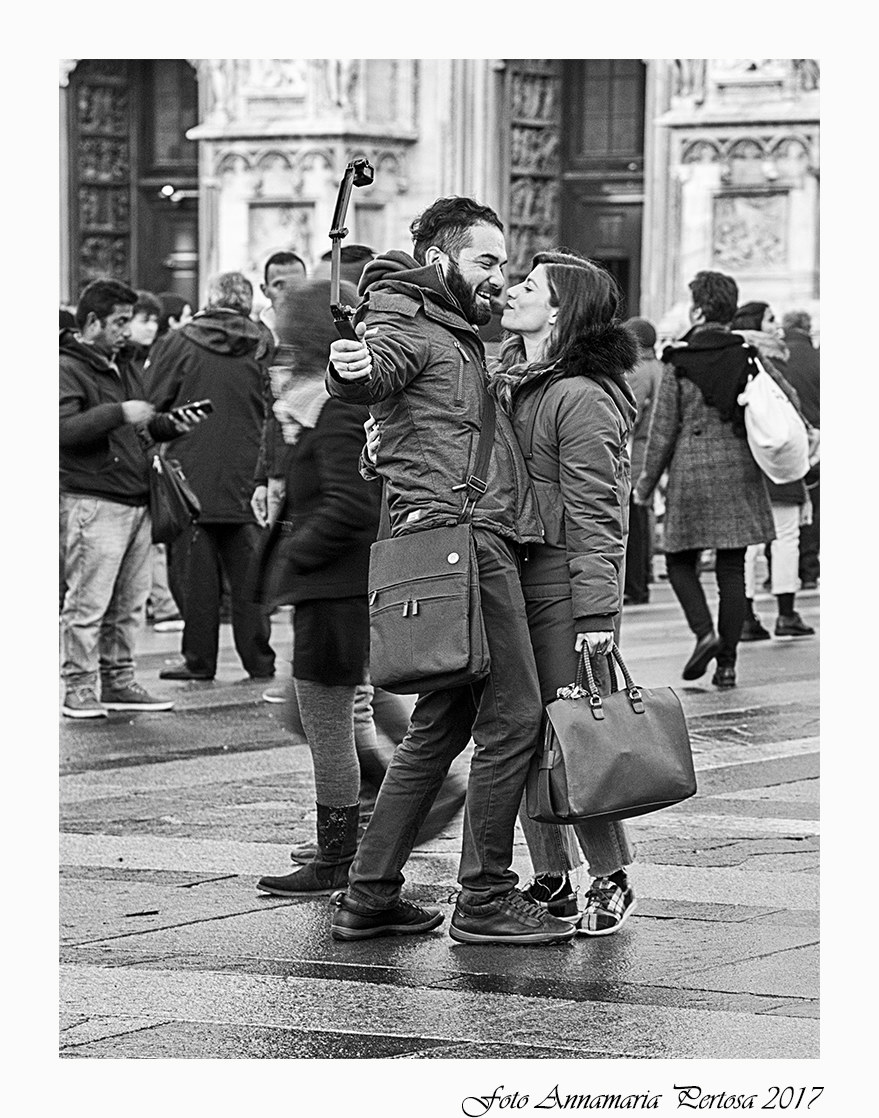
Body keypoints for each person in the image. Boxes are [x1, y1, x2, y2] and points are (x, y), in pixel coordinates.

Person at [326, 196, 575, 946]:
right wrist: (354, 367)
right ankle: (486, 896)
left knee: (439, 725)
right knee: (515, 715)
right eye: (486, 262)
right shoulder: (408, 321)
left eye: (502, 264)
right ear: (442, 260)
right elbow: (373, 370)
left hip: (450, 537)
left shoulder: (455, 330)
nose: (498, 278)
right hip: (460, 540)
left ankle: (368, 895)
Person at [493, 252, 640, 935]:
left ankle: (609, 877)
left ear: (560, 310)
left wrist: (595, 614)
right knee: (518, 735)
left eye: (528, 287)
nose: (509, 291)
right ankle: (550, 875)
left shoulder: (578, 394)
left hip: (557, 581)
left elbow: (598, 512)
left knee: (574, 733)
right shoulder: (510, 378)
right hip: (506, 574)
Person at [250, 279, 383, 896]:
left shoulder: (338, 413)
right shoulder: (336, 408)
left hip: (334, 593)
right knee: (337, 723)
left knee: (328, 728)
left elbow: (350, 507)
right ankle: (361, 836)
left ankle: (341, 853)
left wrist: (296, 557)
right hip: (337, 591)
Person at [60, 279, 203, 718]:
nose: (126, 331)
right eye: (119, 322)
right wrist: (117, 412)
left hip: (137, 497)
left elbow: (138, 431)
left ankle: (119, 679)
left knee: (129, 602)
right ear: (92, 322)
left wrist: (169, 425)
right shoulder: (65, 367)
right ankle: (79, 686)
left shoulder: (125, 365)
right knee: (89, 601)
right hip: (94, 500)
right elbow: (63, 430)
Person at [634, 271, 775, 690]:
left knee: (680, 560)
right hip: (740, 471)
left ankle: (704, 633)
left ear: (697, 309)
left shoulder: (680, 359)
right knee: (732, 570)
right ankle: (727, 665)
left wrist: (645, 484)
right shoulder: (748, 355)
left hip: (691, 473)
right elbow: (782, 399)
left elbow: (662, 430)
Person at [147, 272, 276, 682]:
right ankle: (260, 660)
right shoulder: (264, 342)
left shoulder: (181, 341)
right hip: (248, 475)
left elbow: (154, 400)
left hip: (191, 476)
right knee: (250, 578)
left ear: (209, 299)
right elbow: (276, 405)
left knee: (195, 578)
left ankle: (198, 660)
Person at [732, 302, 815, 640]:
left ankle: (747, 616)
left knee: (749, 544)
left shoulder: (734, 358)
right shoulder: (773, 362)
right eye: (770, 319)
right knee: (785, 539)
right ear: (757, 324)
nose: (776, 326)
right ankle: (785, 613)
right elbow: (793, 405)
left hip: (748, 459)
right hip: (778, 460)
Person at [622, 317, 662, 605]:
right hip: (654, 452)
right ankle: (644, 576)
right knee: (643, 517)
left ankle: (636, 585)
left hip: (638, 454)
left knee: (634, 522)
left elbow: (627, 415)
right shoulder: (660, 368)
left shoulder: (637, 371)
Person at [781, 310, 820, 589]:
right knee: (813, 505)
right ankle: (808, 570)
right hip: (816, 441)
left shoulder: (777, 358)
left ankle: (778, 571)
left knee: (782, 505)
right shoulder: (820, 357)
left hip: (783, 440)